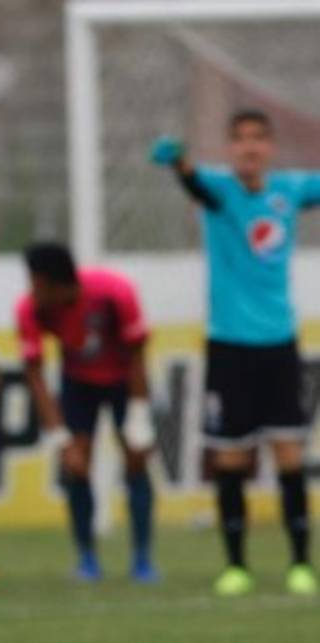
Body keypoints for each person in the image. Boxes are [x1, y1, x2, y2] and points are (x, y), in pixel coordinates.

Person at [150, 110, 317, 596]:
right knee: (230, 458)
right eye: (240, 140)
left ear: (269, 148)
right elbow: (193, 184)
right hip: (228, 345)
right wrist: (178, 160)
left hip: (280, 344)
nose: (249, 148)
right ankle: (237, 566)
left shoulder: (290, 189)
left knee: (289, 454)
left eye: (257, 139)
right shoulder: (219, 190)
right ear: (229, 148)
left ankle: (301, 565)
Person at [16, 243, 157, 582]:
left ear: (52, 282)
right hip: (78, 384)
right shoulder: (31, 309)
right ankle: (87, 558)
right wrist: (62, 440)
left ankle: (142, 559)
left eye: (35, 282)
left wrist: (138, 416)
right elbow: (35, 374)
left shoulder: (114, 292)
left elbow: (138, 354)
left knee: (136, 460)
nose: (30, 290)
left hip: (125, 381)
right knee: (77, 465)